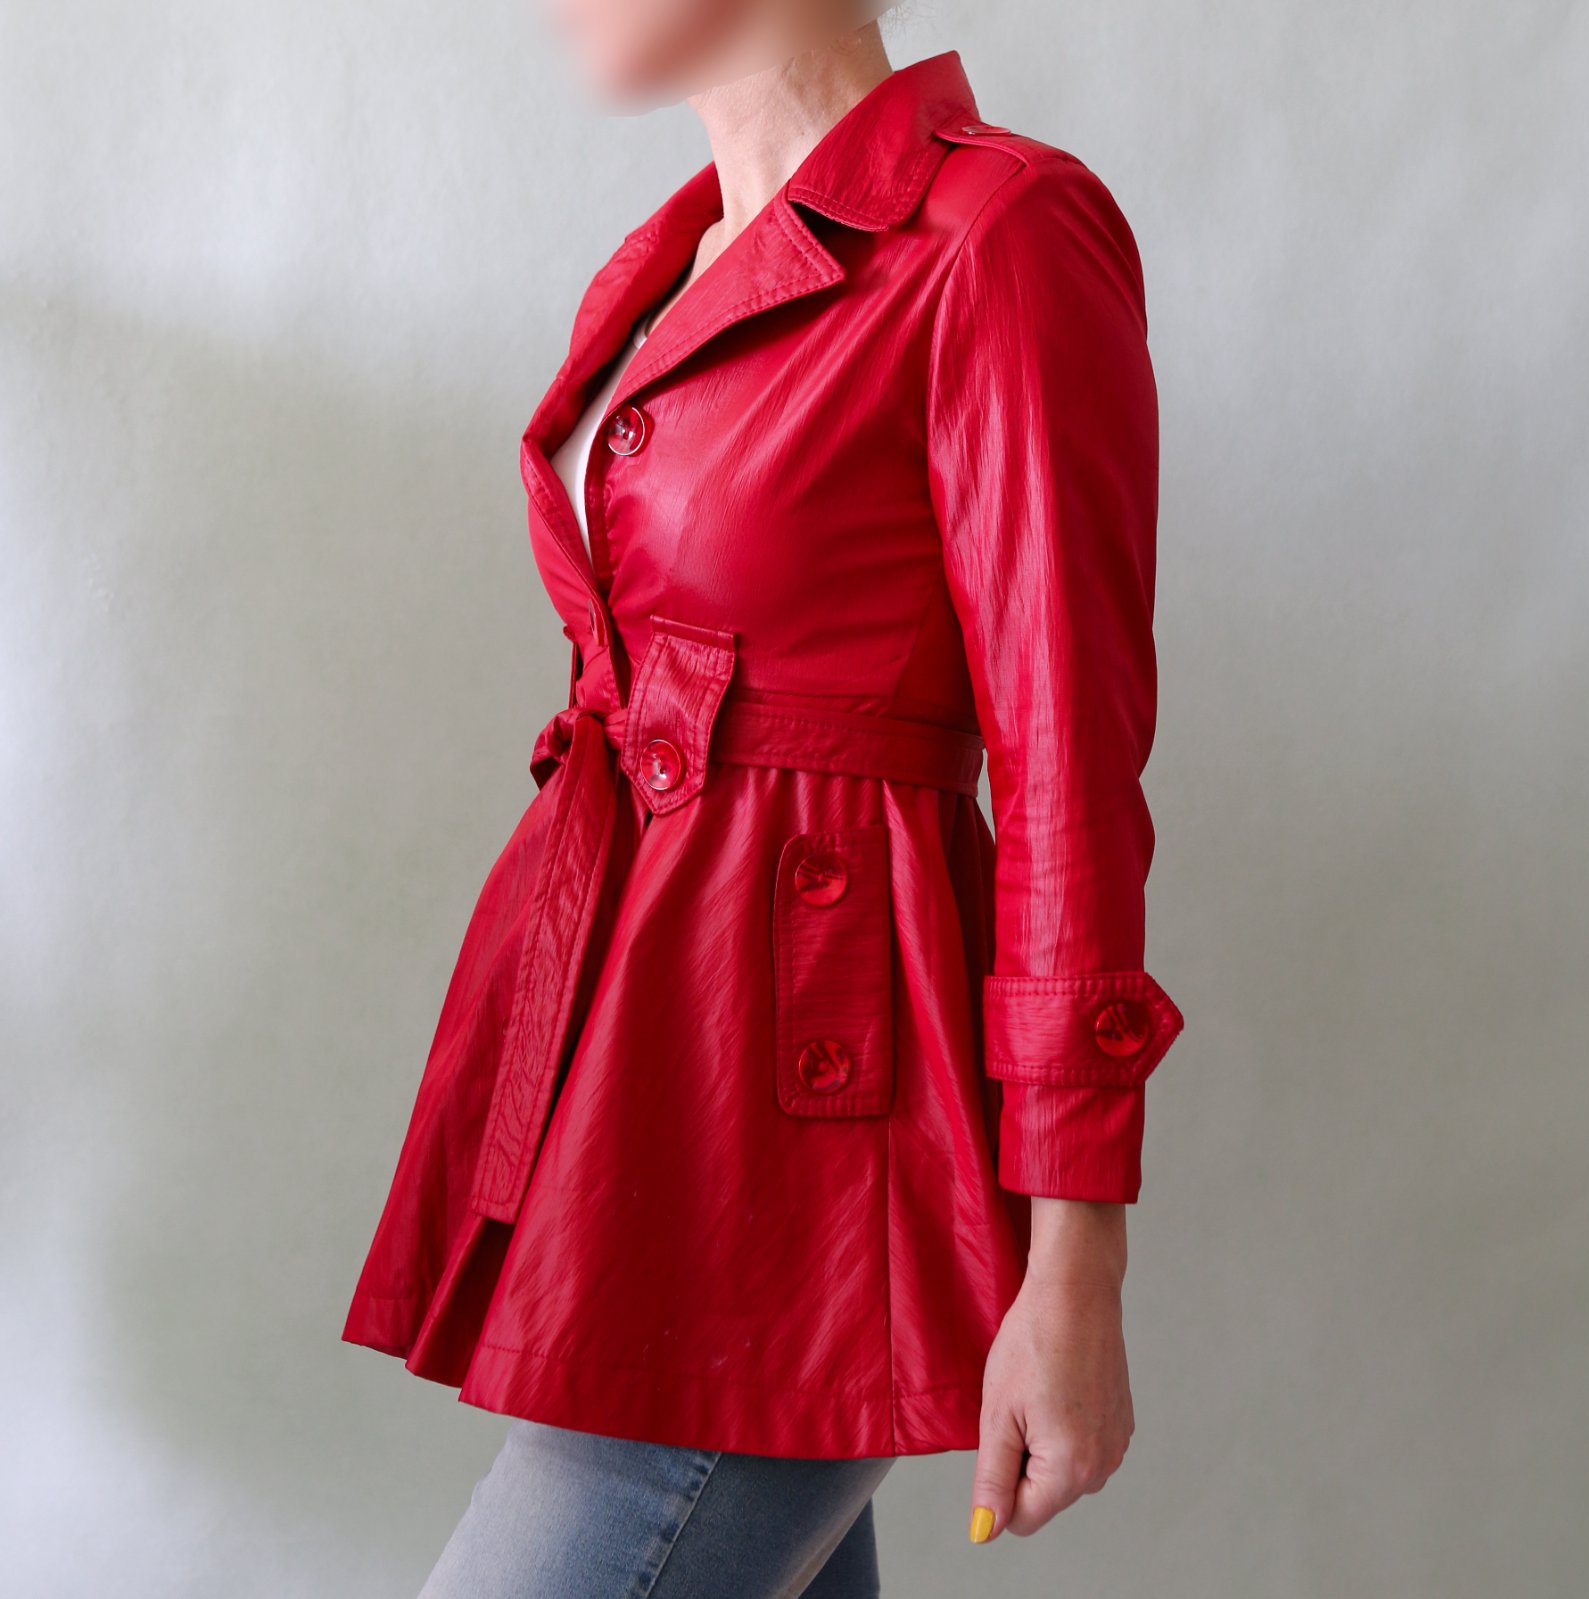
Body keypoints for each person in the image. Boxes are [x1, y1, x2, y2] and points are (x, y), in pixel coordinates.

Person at [341, 4, 1185, 1593]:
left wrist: (1077, 1248)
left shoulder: (997, 231)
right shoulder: (669, 265)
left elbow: (1069, 758)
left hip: (809, 1126)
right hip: (641, 1061)